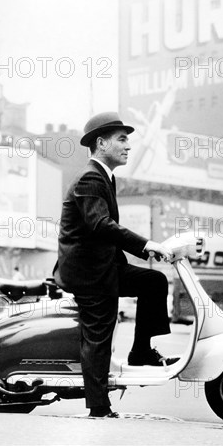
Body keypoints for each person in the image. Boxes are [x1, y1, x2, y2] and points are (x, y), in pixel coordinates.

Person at [53, 111, 176, 419]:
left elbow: (104, 232)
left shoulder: (105, 177)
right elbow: (101, 225)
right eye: (122, 139)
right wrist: (147, 245)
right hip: (89, 275)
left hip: (104, 266)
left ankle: (141, 352)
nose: (128, 146)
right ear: (101, 143)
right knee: (99, 334)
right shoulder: (91, 178)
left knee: (154, 283)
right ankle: (98, 407)